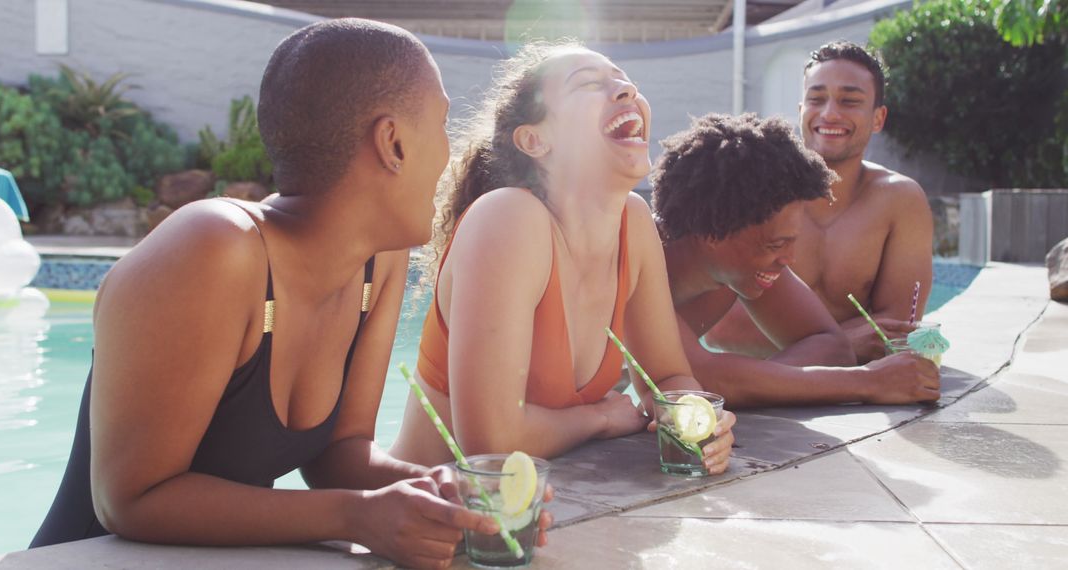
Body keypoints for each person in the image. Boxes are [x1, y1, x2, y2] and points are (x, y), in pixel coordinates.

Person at [30, 20, 547, 569]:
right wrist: (356, 516)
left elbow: (339, 455)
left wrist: (445, 496)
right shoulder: (211, 250)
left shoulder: (380, 259)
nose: (450, 156)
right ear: (392, 142)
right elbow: (129, 500)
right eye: (443, 125)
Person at [389, 42, 736, 474]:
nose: (626, 90)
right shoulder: (507, 219)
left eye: (626, 81)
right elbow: (490, 445)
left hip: (550, 514)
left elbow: (665, 378)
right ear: (535, 139)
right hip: (437, 520)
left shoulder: (633, 220)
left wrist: (698, 419)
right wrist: (601, 417)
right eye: (589, 84)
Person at [654, 113, 940, 407]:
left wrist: (757, 384)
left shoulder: (738, 271)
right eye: (777, 244)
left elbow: (832, 346)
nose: (788, 258)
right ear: (712, 232)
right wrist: (867, 380)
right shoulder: (634, 253)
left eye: (792, 241)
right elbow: (696, 381)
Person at [705, 41, 935, 364]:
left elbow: (896, 328)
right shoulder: (754, 193)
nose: (830, 113)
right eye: (816, 99)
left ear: (878, 117)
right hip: (757, 391)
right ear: (801, 110)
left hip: (837, 393)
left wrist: (807, 348)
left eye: (850, 101)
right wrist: (842, 344)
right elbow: (720, 328)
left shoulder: (900, 201)